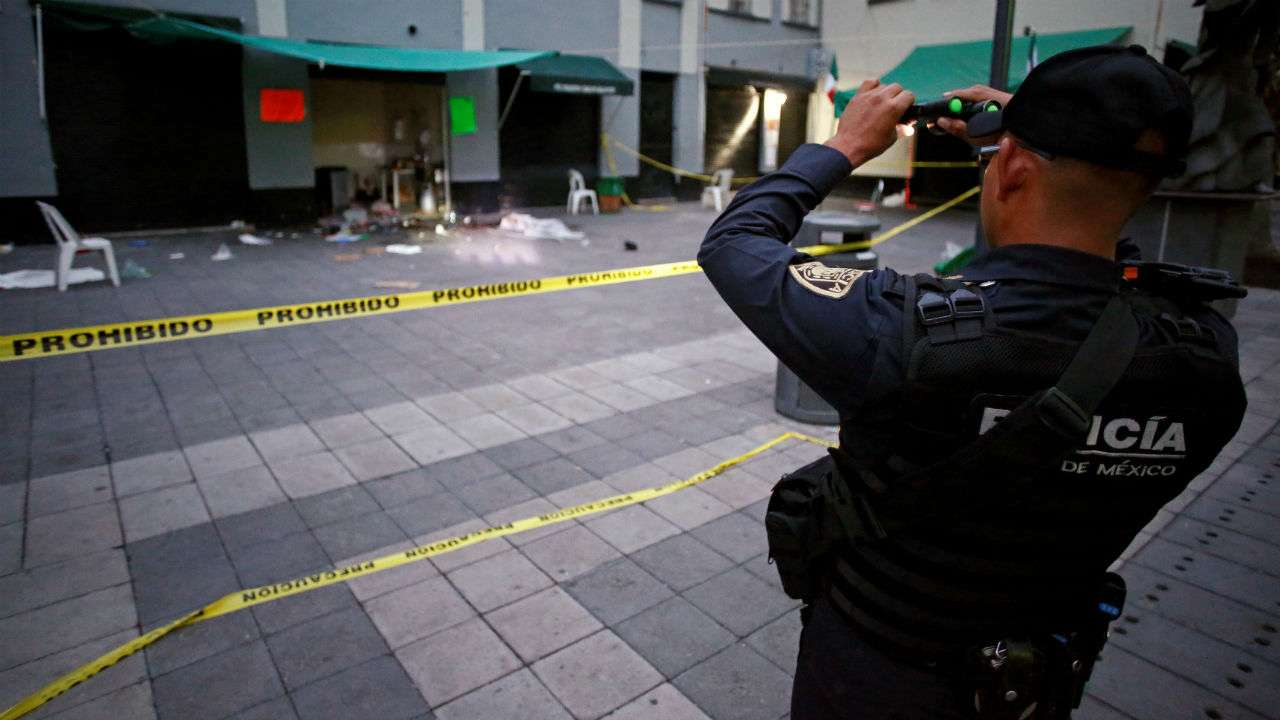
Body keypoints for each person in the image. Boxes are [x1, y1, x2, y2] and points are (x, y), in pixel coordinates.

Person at [698, 45, 1248, 719]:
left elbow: (734, 244)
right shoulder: (1204, 358)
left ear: (1010, 166)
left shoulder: (904, 333)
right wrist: (1040, 139)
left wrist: (843, 144)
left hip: (873, 676)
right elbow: (1103, 282)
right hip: (1029, 683)